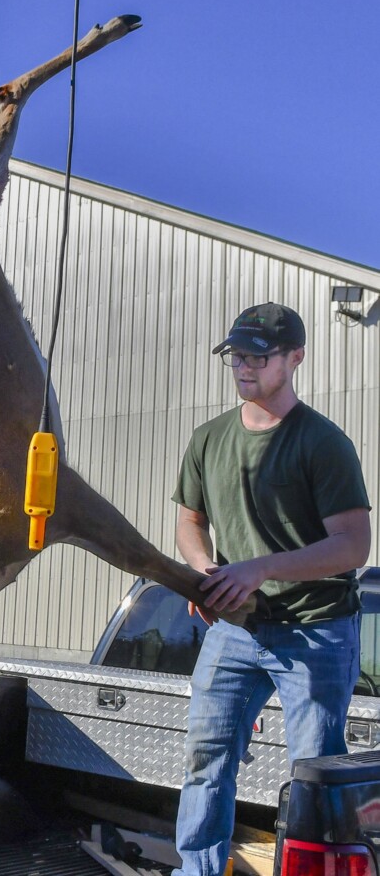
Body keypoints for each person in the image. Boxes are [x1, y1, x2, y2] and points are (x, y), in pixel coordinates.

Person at [172, 302, 372, 876]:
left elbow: (354, 546)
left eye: (258, 357)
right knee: (206, 762)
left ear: (295, 358)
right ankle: (197, 871)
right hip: (234, 633)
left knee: (313, 777)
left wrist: (258, 568)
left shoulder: (323, 442)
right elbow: (190, 520)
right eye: (236, 355)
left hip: (317, 632)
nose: (243, 367)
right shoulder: (209, 438)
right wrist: (204, 569)